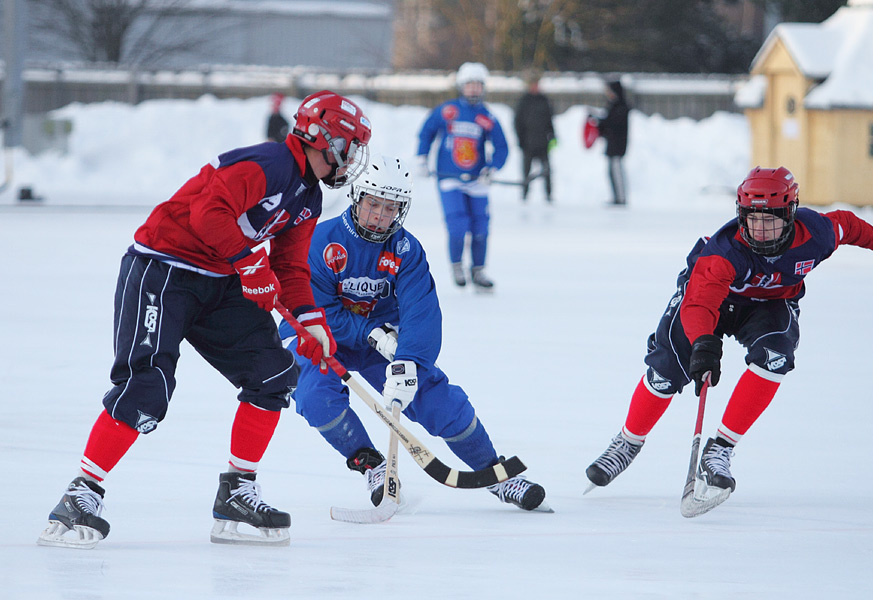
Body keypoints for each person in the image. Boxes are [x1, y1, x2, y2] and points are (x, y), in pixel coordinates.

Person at [37, 90, 372, 549]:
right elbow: (208, 211)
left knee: (273, 374)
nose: (352, 159)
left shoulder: (309, 198)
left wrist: (311, 321)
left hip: (219, 278)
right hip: (164, 267)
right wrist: (250, 263)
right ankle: (80, 492)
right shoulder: (269, 164)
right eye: (351, 147)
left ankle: (236, 491)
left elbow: (290, 267)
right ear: (324, 139)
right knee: (147, 387)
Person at [585, 166, 873, 505]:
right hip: (710, 302)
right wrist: (704, 345)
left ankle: (719, 449)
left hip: (770, 305)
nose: (761, 230)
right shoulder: (723, 253)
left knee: (776, 356)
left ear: (791, 214)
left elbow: (850, 226)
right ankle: (628, 441)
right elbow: (699, 305)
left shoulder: (818, 233)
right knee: (667, 369)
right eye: (752, 219)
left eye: (771, 219)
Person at [279, 155, 547, 512]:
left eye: (390, 208)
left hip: (385, 341)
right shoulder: (322, 240)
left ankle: (496, 473)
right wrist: (370, 332)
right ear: (357, 198)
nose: (380, 216)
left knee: (438, 400)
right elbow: (317, 309)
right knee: (314, 396)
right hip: (320, 335)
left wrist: (410, 361)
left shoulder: (406, 250)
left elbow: (422, 312)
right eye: (374, 204)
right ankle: (371, 465)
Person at [416, 61, 509, 291]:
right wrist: (422, 157)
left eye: (478, 85)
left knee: (480, 228)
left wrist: (493, 168)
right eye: (470, 85)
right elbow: (427, 131)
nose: (474, 89)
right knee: (458, 225)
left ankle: (478, 270)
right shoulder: (449, 111)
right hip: (449, 178)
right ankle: (457, 265)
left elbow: (502, 147)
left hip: (477, 180)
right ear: (461, 86)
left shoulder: (486, 116)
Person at [513, 70, 556, 203]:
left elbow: (549, 120)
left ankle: (548, 195)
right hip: (528, 142)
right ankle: (525, 194)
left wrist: (553, 136)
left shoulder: (544, 100)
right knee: (526, 170)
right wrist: (520, 139)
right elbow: (517, 122)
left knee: (547, 170)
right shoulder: (524, 101)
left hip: (543, 142)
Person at [587, 80, 630, 205]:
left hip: (618, 146)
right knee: (611, 172)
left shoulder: (621, 107)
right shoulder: (612, 106)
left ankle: (621, 198)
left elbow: (612, 125)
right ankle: (616, 196)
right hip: (611, 146)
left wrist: (599, 122)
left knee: (617, 172)